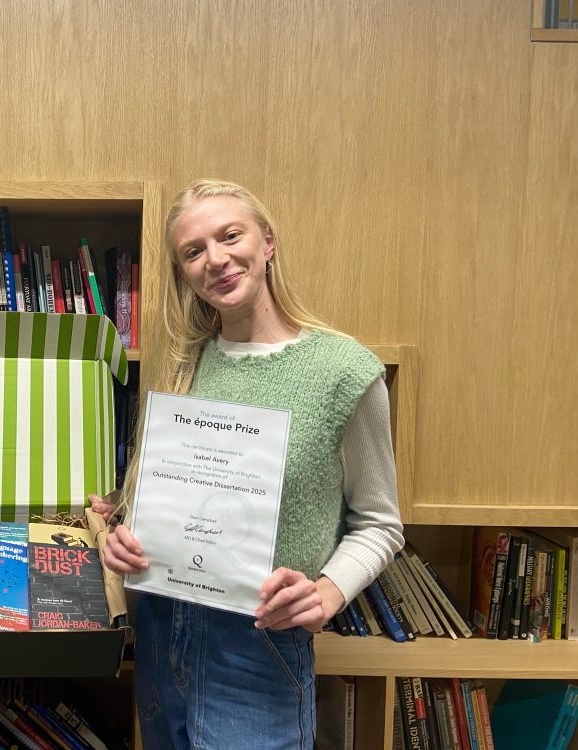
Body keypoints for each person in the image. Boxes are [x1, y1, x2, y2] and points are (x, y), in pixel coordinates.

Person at [92, 178, 404, 750]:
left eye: (229, 235)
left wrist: (329, 592)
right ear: (184, 271)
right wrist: (121, 539)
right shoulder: (183, 367)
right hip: (162, 627)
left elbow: (381, 524)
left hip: (257, 645)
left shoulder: (343, 372)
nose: (215, 259)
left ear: (267, 243)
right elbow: (153, 505)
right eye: (193, 251)